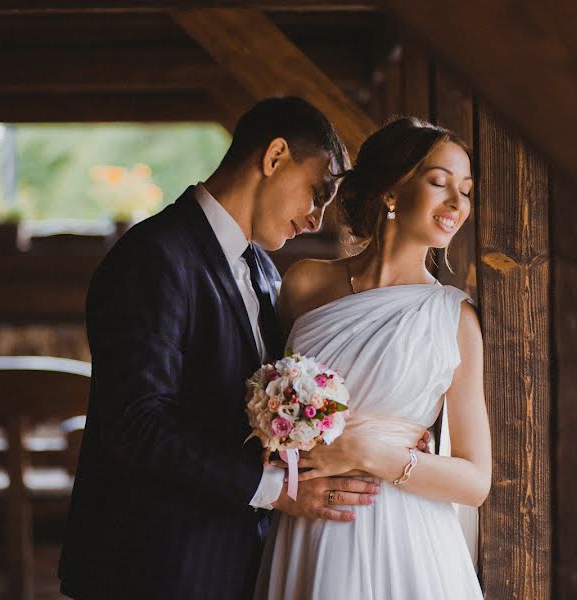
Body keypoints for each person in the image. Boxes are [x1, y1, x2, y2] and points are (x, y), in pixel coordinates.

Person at [58, 97, 387, 600]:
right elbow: (137, 425)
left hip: (232, 564)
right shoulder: (154, 257)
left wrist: (384, 434)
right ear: (275, 156)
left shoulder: (262, 272)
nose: (317, 220)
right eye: (317, 193)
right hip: (149, 569)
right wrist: (277, 492)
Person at [255, 116, 490, 599]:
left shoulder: (454, 319)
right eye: (439, 183)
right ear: (390, 192)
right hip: (309, 521)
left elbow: (475, 480)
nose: (456, 204)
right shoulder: (304, 284)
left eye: (465, 191)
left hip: (407, 533)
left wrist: (370, 453)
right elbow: (261, 400)